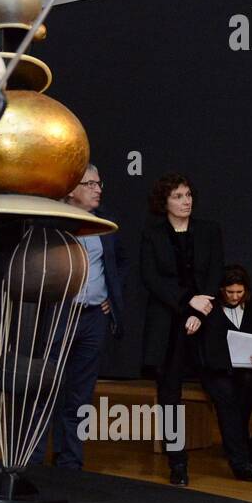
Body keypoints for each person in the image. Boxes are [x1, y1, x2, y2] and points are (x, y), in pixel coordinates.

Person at [28, 164, 127, 469]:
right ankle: (30, 458)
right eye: (92, 184)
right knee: (45, 388)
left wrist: (110, 297)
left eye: (100, 184)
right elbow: (31, 264)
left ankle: (70, 460)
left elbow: (119, 264)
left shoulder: (105, 224)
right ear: (72, 189)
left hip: (93, 319)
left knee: (81, 393)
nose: (99, 189)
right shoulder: (50, 223)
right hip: (58, 316)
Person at [139, 173, 224, 486]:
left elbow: (215, 273)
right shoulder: (152, 234)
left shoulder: (209, 231)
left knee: (223, 390)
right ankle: (178, 464)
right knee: (169, 395)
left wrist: (199, 314)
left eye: (188, 195)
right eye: (177, 196)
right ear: (164, 202)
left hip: (204, 319)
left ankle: (242, 461)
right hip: (168, 324)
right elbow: (151, 278)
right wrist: (189, 303)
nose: (185, 201)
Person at [202, 265, 252, 480]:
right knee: (241, 385)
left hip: (248, 367)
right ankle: (243, 449)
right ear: (221, 290)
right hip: (220, 369)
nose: (235, 297)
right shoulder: (212, 307)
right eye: (230, 292)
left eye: (239, 292)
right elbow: (209, 347)